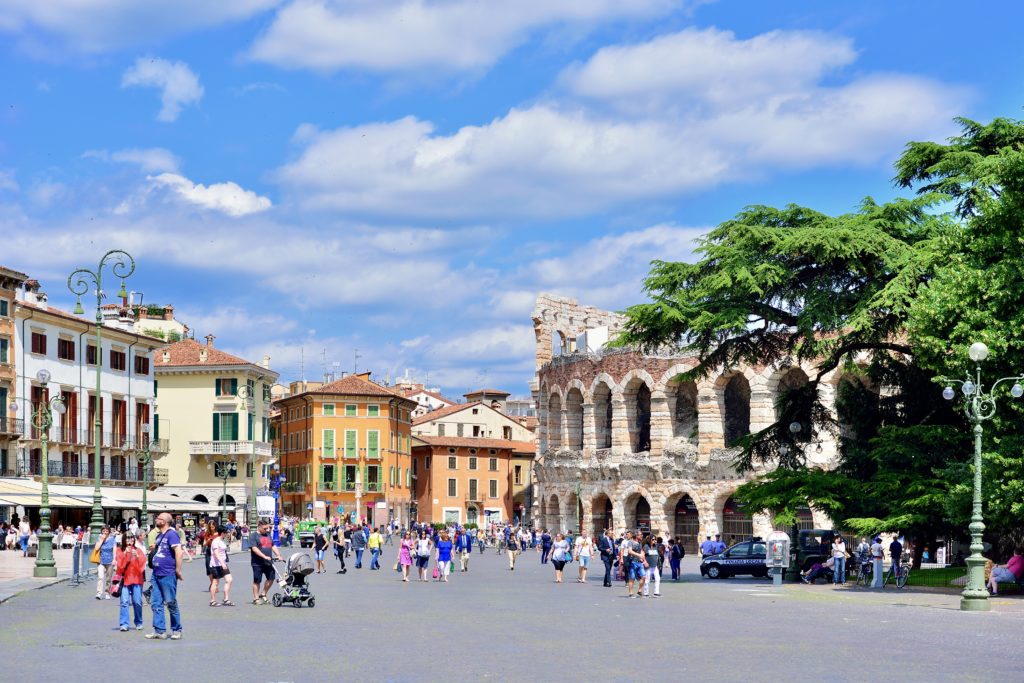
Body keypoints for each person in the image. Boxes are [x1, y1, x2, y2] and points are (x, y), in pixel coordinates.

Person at [146, 513, 184, 640]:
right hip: (156, 574)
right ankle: (159, 630)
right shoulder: (159, 535)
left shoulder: (172, 534)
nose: (156, 520)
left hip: (168, 574)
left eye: (159, 518)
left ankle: (176, 629)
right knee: (156, 603)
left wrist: (178, 570)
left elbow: (179, 552)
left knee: (170, 602)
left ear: (165, 521)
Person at [115, 529, 146, 631]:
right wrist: (125, 554)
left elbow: (142, 566)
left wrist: (137, 557)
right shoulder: (120, 550)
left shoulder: (138, 550)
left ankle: (138, 621)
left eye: (131, 538)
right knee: (124, 601)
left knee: (137, 602)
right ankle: (124, 623)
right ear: (124, 540)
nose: (130, 540)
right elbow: (120, 566)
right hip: (125, 580)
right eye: (127, 538)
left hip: (136, 579)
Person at [249, 520, 282, 605]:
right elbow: (254, 549)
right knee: (257, 580)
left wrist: (278, 555)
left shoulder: (268, 535)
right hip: (257, 562)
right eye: (265, 528)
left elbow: (273, 545)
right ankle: (256, 599)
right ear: (259, 527)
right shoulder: (253, 536)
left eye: (267, 528)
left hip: (268, 562)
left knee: (271, 578)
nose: (266, 530)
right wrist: (264, 556)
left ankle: (263, 594)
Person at [208, 525, 234, 607]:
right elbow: (216, 553)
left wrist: (224, 563)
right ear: (222, 533)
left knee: (229, 580)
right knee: (215, 582)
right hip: (216, 564)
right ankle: (212, 600)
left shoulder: (222, 540)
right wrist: (222, 563)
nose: (227, 534)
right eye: (226, 532)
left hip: (223, 564)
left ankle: (226, 599)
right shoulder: (216, 541)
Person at [93, 525, 117, 599]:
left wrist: (114, 559)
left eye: (106, 531)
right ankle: (99, 593)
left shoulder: (112, 539)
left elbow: (114, 549)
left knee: (108, 578)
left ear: (109, 532)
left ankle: (107, 592)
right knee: (100, 577)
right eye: (103, 531)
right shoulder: (99, 539)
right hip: (101, 561)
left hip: (110, 561)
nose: (105, 533)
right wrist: (101, 540)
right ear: (101, 532)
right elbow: (96, 548)